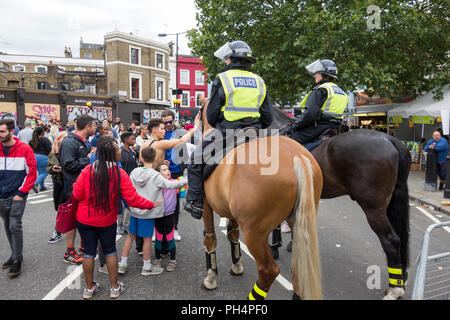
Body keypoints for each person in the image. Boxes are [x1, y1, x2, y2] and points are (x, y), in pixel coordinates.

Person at [184, 40, 273, 218]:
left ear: (230, 59)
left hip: (228, 131)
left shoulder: (223, 78)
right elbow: (268, 117)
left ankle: (195, 201)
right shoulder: (259, 81)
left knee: (195, 160)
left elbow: (212, 114)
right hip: (254, 132)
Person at [72, 135, 161, 299]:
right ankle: (114, 288)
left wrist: (75, 186)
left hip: (85, 219)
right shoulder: (119, 173)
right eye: (117, 149)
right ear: (112, 154)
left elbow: (77, 194)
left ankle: (89, 289)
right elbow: (133, 199)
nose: (120, 151)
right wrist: (150, 204)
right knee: (110, 251)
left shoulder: (88, 170)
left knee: (89, 253)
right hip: (106, 220)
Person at [118, 147, 186, 276]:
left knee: (130, 237)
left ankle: (123, 263)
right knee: (147, 239)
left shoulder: (134, 172)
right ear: (154, 159)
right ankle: (147, 266)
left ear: (141, 159)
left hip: (135, 211)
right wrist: (188, 179)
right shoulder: (155, 175)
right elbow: (172, 185)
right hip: (148, 212)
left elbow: (129, 188)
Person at [0, 119, 37, 278]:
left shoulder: (24, 148)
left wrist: (21, 193)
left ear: (12, 131)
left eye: (2, 132)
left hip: (17, 194)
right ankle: (15, 253)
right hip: (1, 196)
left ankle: (17, 260)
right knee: (8, 226)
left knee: (15, 224)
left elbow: (32, 173)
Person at [60, 115, 97, 265]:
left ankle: (84, 246)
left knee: (83, 217)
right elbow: (68, 165)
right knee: (72, 219)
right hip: (73, 187)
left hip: (85, 185)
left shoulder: (84, 141)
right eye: (94, 125)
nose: (95, 128)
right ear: (88, 126)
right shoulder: (69, 142)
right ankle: (69, 252)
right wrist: (88, 158)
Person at [289, 59, 348, 145]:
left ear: (324, 75)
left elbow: (310, 114)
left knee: (290, 141)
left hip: (320, 126)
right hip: (337, 127)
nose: (314, 76)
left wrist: (295, 126)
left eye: (317, 73)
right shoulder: (341, 92)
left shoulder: (320, 90)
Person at [154, 163, 187, 271]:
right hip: (158, 216)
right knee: (158, 239)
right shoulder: (156, 184)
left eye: (168, 169)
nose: (168, 171)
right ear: (158, 174)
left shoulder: (174, 183)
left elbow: (182, 187)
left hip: (169, 215)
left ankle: (173, 260)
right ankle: (158, 259)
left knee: (170, 238)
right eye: (164, 170)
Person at [162, 110, 183, 241]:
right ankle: (158, 229)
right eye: (165, 122)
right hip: (161, 171)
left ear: (174, 120)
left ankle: (174, 229)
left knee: (174, 202)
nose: (168, 124)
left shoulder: (180, 132)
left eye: (170, 122)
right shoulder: (160, 132)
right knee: (160, 200)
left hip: (176, 171)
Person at [47, 131, 68, 244]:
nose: (63, 140)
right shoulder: (53, 152)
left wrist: (63, 169)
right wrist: (53, 169)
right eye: (61, 137)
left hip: (68, 182)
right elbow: (48, 167)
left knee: (62, 208)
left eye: (65, 138)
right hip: (57, 182)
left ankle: (57, 231)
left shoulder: (69, 150)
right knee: (58, 207)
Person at [117, 132, 139, 234]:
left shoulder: (133, 152)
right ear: (126, 140)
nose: (134, 141)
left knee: (129, 205)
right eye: (132, 139)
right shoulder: (120, 153)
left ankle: (126, 224)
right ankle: (119, 225)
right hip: (121, 183)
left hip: (131, 183)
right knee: (121, 205)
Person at [29, 126, 52, 193]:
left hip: (33, 157)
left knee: (41, 172)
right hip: (43, 158)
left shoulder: (31, 141)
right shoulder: (45, 140)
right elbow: (49, 150)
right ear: (42, 133)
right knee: (45, 172)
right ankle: (36, 183)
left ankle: (42, 187)